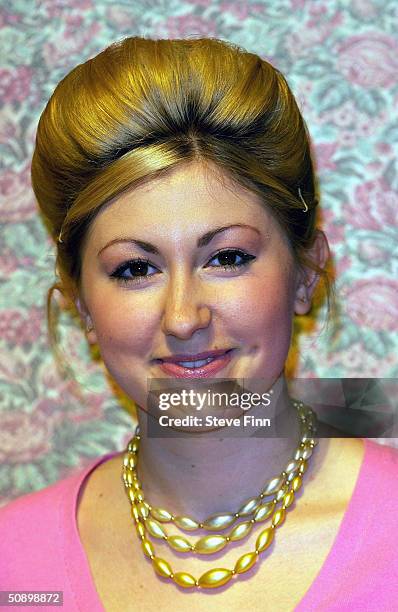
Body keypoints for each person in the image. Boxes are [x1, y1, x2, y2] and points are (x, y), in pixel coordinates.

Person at [1, 36, 397, 612]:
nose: (184, 318)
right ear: (82, 307)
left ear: (307, 273)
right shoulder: (14, 562)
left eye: (228, 257)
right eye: (135, 269)